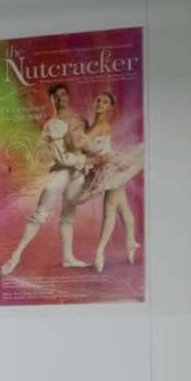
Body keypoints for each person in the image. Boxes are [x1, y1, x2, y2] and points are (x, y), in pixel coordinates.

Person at [0, 81, 90, 278]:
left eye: (64, 95)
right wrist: (85, 159)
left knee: (68, 215)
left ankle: (68, 258)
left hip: (78, 174)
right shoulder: (54, 125)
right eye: (56, 96)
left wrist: (88, 160)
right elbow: (62, 158)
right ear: (51, 100)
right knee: (39, 214)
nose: (61, 99)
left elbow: (86, 145)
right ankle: (15, 255)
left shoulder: (78, 120)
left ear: (68, 96)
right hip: (62, 172)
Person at [70, 89, 142, 271]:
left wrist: (74, 133)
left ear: (109, 107)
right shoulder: (93, 125)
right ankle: (131, 242)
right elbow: (85, 146)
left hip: (110, 169)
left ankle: (100, 252)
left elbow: (81, 144)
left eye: (104, 102)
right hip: (104, 168)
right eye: (98, 101)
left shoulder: (101, 125)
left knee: (110, 210)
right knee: (123, 209)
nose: (100, 104)